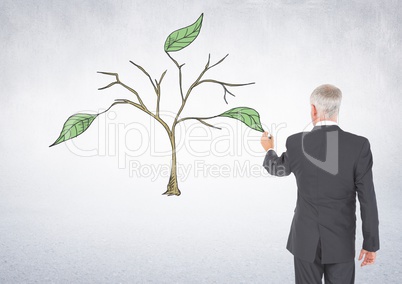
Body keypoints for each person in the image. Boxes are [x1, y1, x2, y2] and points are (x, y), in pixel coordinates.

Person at [261, 84, 379, 284]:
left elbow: (277, 168)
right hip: (341, 242)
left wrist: (269, 149)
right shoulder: (359, 146)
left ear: (313, 109)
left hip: (305, 240)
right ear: (337, 109)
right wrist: (371, 243)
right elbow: (367, 198)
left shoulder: (296, 143)